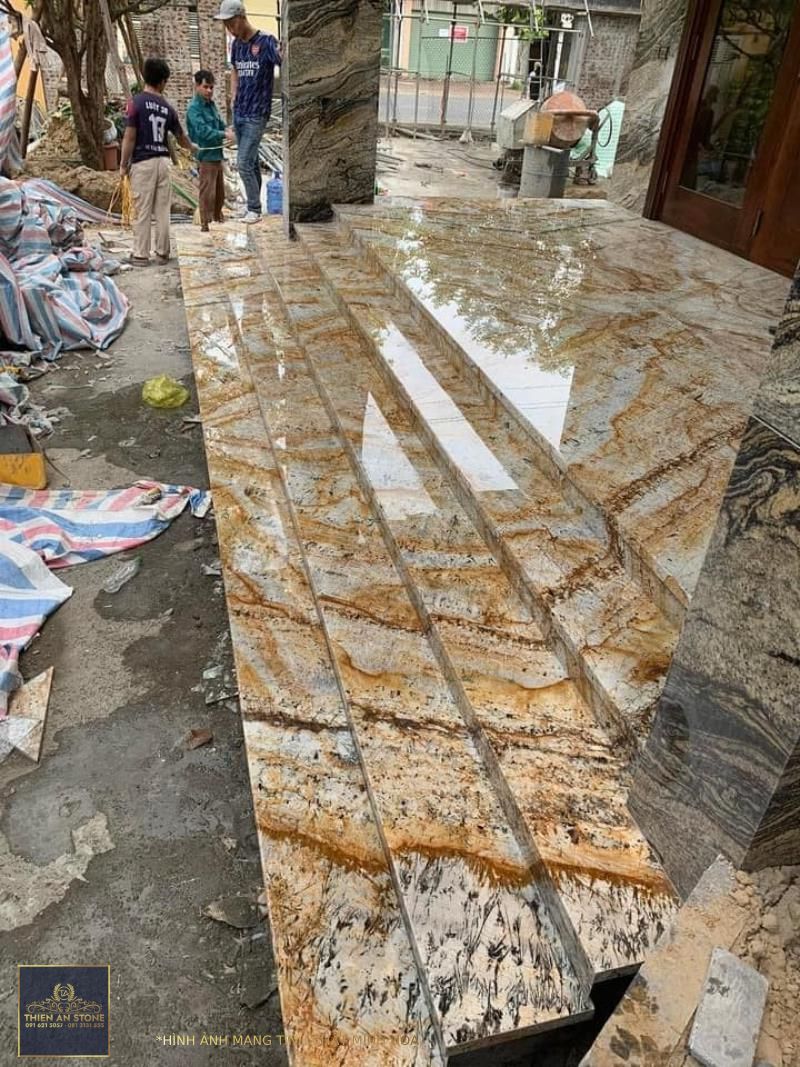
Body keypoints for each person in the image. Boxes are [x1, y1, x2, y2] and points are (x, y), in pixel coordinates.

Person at [120, 58, 196, 265]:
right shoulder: (167, 108)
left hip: (142, 163)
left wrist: (123, 165)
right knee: (162, 210)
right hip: (163, 162)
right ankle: (162, 253)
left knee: (142, 210)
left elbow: (129, 137)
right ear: (163, 81)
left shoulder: (135, 103)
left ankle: (141, 254)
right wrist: (192, 147)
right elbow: (181, 137)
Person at [213, 0, 281, 224]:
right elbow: (234, 69)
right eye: (226, 25)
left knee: (242, 162)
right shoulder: (236, 45)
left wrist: (285, 49)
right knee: (251, 162)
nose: (229, 29)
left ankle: (254, 208)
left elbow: (283, 61)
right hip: (240, 111)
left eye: (231, 23)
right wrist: (233, 95)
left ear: (242, 17)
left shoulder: (266, 41)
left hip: (257, 113)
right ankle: (255, 206)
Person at [186, 70, 228, 232]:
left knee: (219, 194)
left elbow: (220, 125)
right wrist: (224, 134)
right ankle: (204, 224)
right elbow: (203, 131)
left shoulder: (212, 105)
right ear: (197, 86)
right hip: (205, 156)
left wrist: (229, 131)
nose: (209, 90)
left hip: (217, 155)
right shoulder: (194, 109)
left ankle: (217, 218)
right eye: (205, 87)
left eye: (211, 87)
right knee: (207, 193)